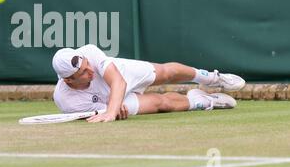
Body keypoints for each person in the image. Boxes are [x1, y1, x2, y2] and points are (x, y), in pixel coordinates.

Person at [52, 44, 245, 123]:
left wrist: (111, 111)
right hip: (108, 99)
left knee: (166, 72)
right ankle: (201, 101)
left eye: (88, 65)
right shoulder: (66, 101)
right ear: (68, 80)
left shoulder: (90, 52)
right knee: (162, 104)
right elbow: (101, 111)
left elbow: (118, 81)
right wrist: (114, 111)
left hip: (121, 74)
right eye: (84, 72)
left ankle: (212, 78)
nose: (90, 70)